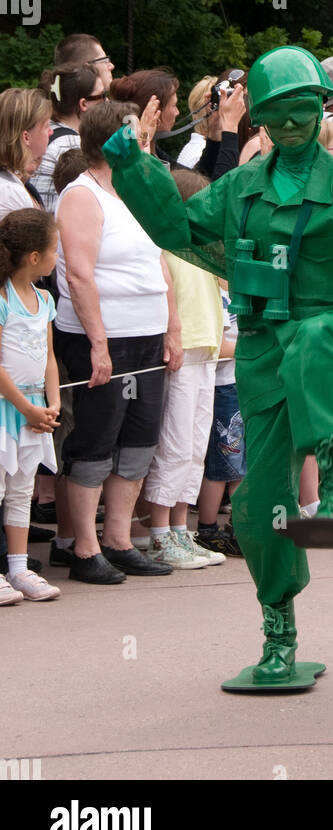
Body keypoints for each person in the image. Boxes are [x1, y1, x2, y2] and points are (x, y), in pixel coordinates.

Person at [101, 46, 333, 693]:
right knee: (260, 507)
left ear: (321, 112)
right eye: (276, 113)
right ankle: (279, 635)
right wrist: (134, 166)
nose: (289, 124)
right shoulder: (241, 187)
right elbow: (178, 226)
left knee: (315, 340)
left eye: (300, 110)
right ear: (259, 117)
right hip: (262, 352)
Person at [53, 102, 181, 584]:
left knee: (140, 439)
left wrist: (172, 326)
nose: (145, 139)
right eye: (136, 133)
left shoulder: (134, 188)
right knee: (96, 439)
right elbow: (81, 276)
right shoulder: (81, 195)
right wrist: (98, 344)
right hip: (104, 336)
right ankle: (84, 548)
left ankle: (119, 539)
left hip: (148, 333)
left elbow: (159, 261)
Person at [136, 169, 225, 569]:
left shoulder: (201, 248)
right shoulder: (166, 250)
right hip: (184, 352)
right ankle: (158, 533)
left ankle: (179, 529)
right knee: (174, 443)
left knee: (193, 447)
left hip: (207, 353)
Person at [0, 209, 62, 603]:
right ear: (34, 257)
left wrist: (51, 403)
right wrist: (26, 408)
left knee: (22, 489)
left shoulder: (45, 299)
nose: (59, 257)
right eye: (54, 250)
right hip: (10, 408)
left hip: (35, 410)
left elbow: (50, 358)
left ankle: (19, 568)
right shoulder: (2, 298)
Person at [193, 281, 244, 556]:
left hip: (244, 384)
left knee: (241, 463)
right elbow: (217, 346)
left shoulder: (243, 288)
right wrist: (254, 347)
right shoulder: (214, 292)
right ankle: (207, 529)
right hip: (224, 386)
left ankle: (239, 526)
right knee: (225, 462)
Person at [31, 63, 108, 213]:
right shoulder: (72, 144)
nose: (107, 101)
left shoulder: (47, 129)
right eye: (102, 95)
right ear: (84, 104)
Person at [0, 88, 53, 218]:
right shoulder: (11, 194)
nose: (51, 132)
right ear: (26, 137)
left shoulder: (18, 184)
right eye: (46, 126)